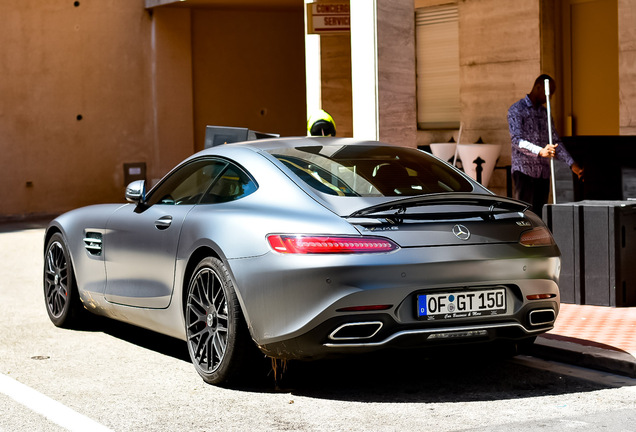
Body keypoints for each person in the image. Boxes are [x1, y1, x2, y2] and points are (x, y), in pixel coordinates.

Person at [507, 74, 583, 216]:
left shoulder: (544, 113)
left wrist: (572, 164)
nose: (551, 97)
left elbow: (555, 141)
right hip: (524, 172)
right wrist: (540, 151)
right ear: (538, 87)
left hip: (543, 174)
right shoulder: (517, 109)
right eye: (550, 93)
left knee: (540, 216)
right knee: (525, 215)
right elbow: (516, 140)